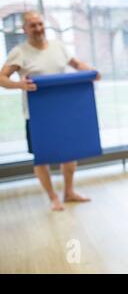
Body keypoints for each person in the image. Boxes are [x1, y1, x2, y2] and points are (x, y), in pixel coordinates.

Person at [0, 11, 100, 211]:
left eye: (39, 24)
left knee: (69, 153)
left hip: (63, 111)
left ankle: (69, 192)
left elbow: (77, 64)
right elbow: (2, 78)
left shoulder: (58, 47)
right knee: (42, 157)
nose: (38, 29)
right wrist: (21, 85)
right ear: (25, 29)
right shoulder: (19, 51)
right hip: (36, 115)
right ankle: (53, 197)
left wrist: (92, 72)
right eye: (32, 25)